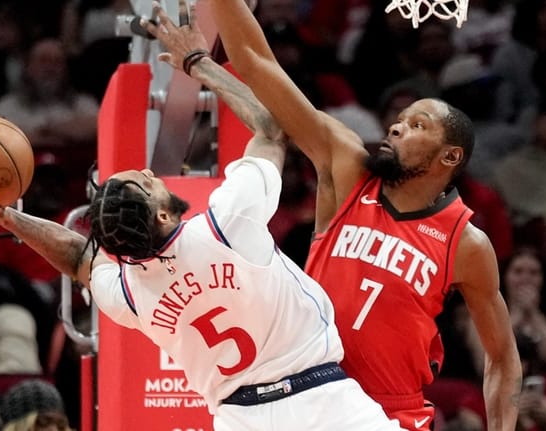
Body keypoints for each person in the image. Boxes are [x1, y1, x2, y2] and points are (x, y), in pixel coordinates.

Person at [0, 2, 397, 429]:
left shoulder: (134, 292)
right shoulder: (225, 224)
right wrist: (200, 64)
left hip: (242, 419)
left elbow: (79, 258)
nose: (142, 169)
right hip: (323, 399)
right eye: (139, 180)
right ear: (159, 213)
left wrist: (8, 219)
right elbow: (270, 129)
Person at [199, 0, 523, 428]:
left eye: (417, 125)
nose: (395, 127)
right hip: (309, 398)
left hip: (393, 414)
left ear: (450, 156)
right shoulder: (348, 170)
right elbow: (260, 63)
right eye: (399, 120)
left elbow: (502, 359)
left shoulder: (465, 242)